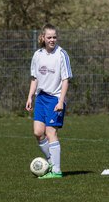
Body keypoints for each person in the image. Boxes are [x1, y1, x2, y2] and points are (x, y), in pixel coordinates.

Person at [25, 23, 73, 179]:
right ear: (43, 38)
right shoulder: (37, 55)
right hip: (41, 98)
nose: (52, 40)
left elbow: (66, 79)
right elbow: (34, 78)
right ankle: (51, 162)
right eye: (49, 37)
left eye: (54, 37)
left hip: (55, 98)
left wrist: (61, 101)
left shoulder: (61, 54)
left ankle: (56, 170)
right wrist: (30, 96)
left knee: (50, 132)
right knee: (38, 133)